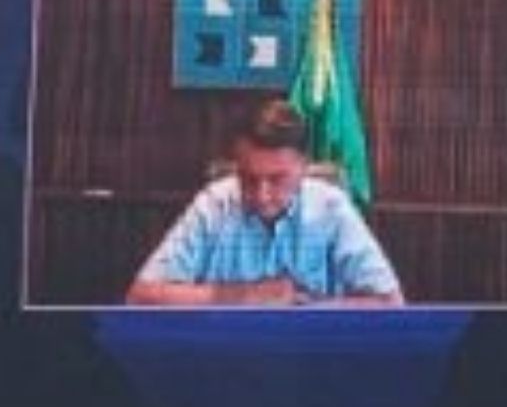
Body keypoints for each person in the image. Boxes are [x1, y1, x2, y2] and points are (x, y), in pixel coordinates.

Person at [125, 100, 403, 307]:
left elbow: (390, 302)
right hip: (223, 356)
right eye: (248, 178)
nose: (261, 195)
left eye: (277, 179)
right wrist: (248, 295)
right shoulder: (213, 204)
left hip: (309, 358)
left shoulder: (331, 207)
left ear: (304, 166)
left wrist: (307, 309)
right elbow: (140, 297)